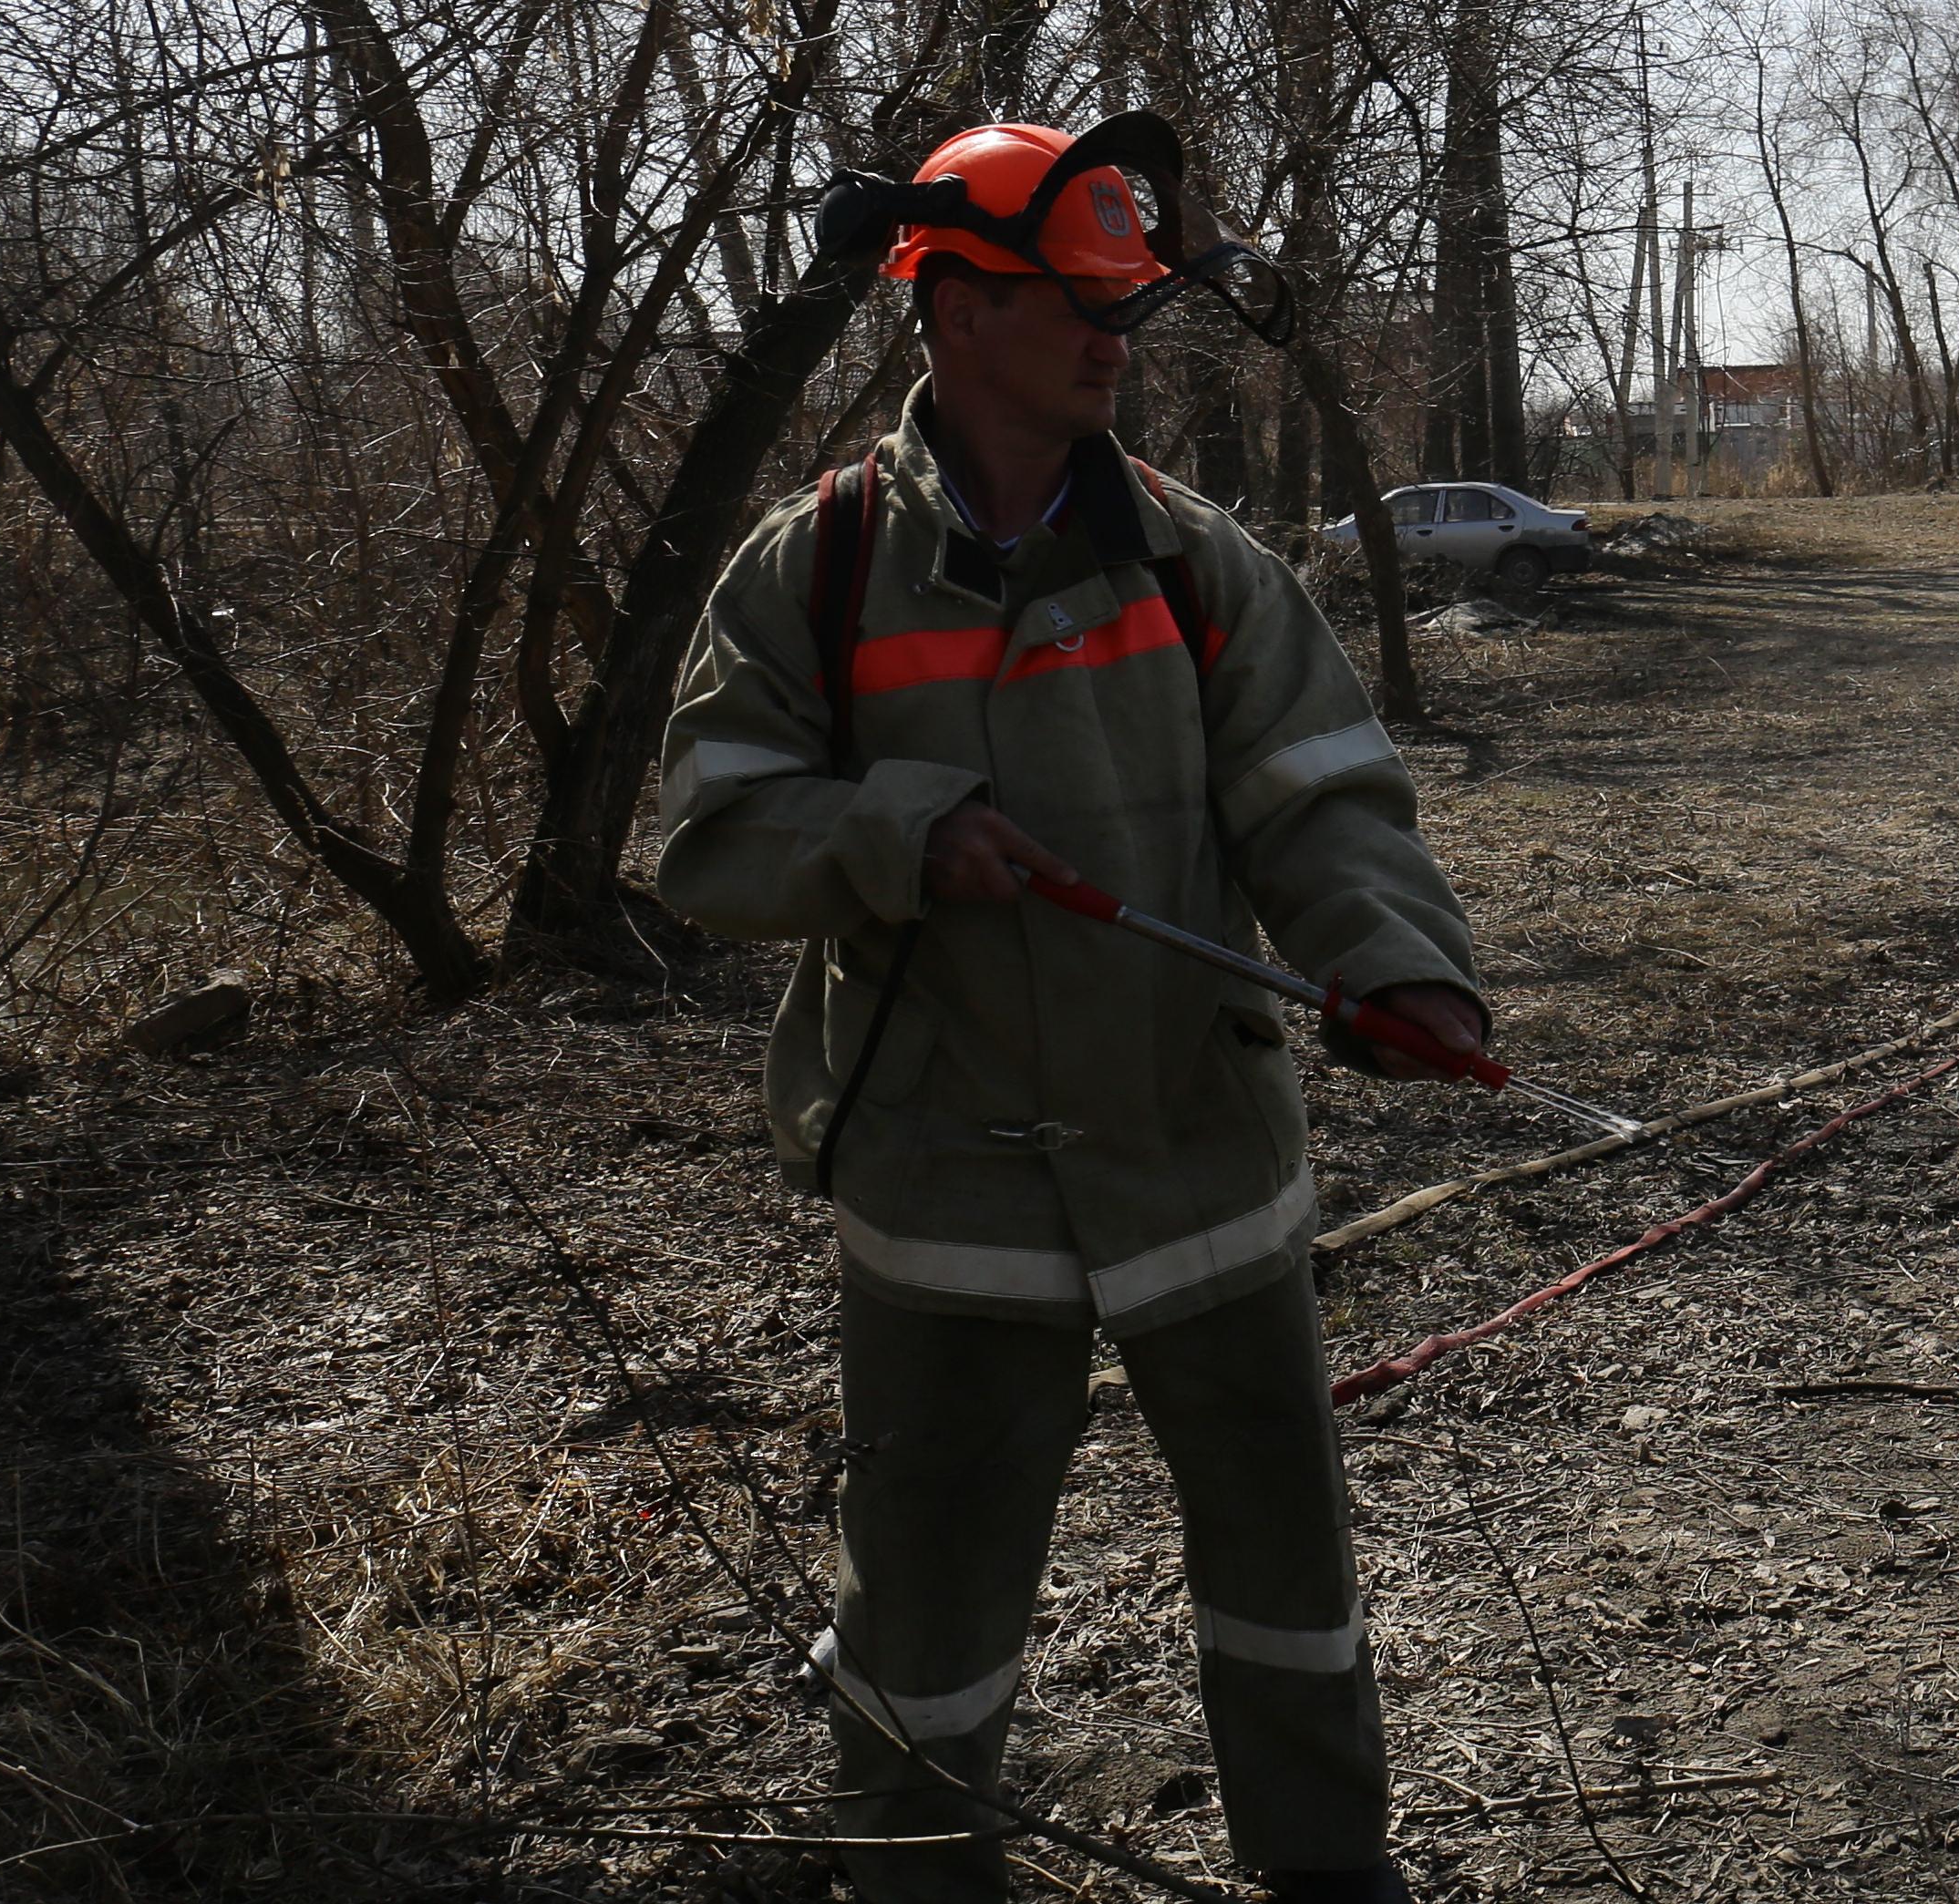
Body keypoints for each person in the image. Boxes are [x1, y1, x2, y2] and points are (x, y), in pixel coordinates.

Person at [655, 120, 1461, 1904]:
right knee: (926, 1606)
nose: (1117, 339)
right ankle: (913, 1878)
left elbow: (1322, 796)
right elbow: (709, 840)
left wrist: (1401, 962)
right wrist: (900, 832)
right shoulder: (812, 571)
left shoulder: (1195, 558)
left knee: (1287, 1571)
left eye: (1128, 304)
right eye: (1081, 302)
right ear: (957, 308)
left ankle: (1329, 1872)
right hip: (944, 1190)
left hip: (1204, 1167)